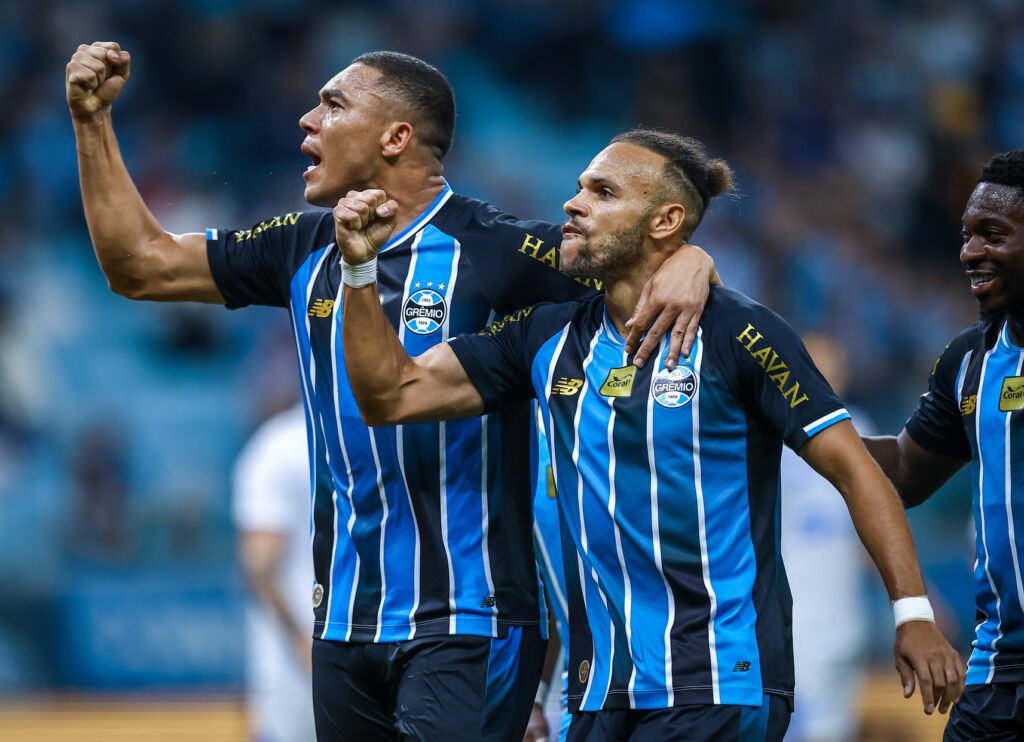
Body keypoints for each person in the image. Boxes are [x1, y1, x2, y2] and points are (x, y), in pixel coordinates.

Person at [65, 41, 717, 741]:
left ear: (396, 138)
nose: (307, 121)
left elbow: (636, 266)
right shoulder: (302, 247)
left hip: (468, 617)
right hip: (343, 621)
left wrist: (693, 261)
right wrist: (92, 123)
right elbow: (140, 265)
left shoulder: (495, 250)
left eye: (332, 104)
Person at [336, 128, 966, 740]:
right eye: (580, 187)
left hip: (715, 679)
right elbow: (392, 394)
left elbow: (856, 471)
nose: (573, 203)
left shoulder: (740, 333)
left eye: (603, 192)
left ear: (665, 221)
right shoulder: (546, 338)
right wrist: (360, 273)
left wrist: (911, 613)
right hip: (600, 691)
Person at [862, 149, 1024, 741]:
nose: (969, 252)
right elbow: (906, 472)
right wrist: (800, 430)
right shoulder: (970, 360)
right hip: (997, 671)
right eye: (966, 235)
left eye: (992, 235)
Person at [779, 335, 872, 742]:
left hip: (847, 619)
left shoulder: (860, 427)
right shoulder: (771, 434)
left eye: (835, 365)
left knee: (836, 731)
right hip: (795, 620)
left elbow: (870, 530)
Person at [233, 404, 317, 742]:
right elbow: (260, 566)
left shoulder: (279, 444)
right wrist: (300, 642)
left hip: (335, 656)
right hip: (294, 669)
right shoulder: (280, 447)